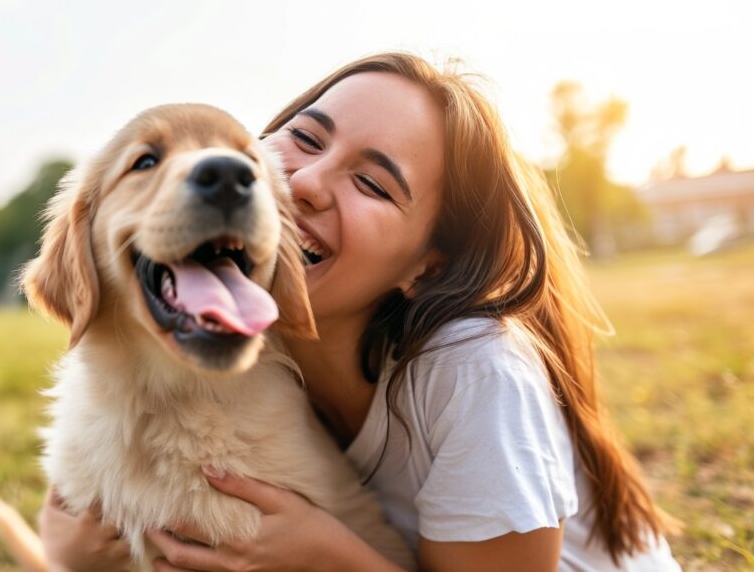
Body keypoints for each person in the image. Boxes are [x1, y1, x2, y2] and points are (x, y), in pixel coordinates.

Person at [37, 52, 680, 571]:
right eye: (306, 139)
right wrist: (68, 554)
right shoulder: (246, 341)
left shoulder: (477, 371)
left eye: (373, 184)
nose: (308, 184)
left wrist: (324, 556)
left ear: (426, 263)